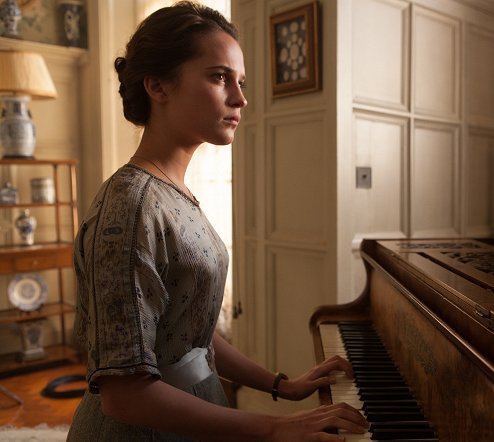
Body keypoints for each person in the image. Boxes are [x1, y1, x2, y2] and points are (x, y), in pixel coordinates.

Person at [66, 2, 368, 441]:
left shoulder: (176, 193)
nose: (240, 98)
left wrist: (283, 385)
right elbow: (124, 395)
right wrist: (274, 428)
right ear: (158, 85)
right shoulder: (131, 206)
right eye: (219, 76)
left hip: (196, 409)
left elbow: (191, 330)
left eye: (239, 81)